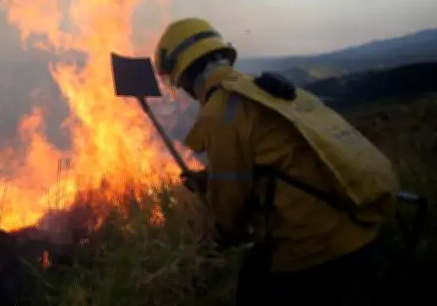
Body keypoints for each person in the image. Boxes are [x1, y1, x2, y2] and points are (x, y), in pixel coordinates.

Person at [152, 17, 399, 306]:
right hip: (358, 222)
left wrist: (221, 235)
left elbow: (230, 207)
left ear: (184, 76)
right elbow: (276, 157)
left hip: (316, 248)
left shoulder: (221, 111)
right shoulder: (259, 89)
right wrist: (210, 177)